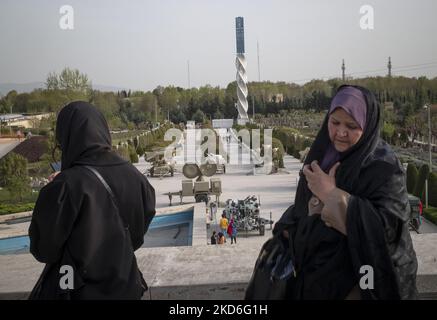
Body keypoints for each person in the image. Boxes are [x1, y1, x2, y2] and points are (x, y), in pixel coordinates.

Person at [273, 85, 418, 300]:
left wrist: (330, 194)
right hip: (322, 281)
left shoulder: (384, 167)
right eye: (335, 122)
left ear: (367, 125)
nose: (340, 132)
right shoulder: (322, 155)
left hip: (367, 282)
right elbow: (302, 206)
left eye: (351, 125)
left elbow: (387, 228)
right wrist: (289, 227)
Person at [28, 101, 156, 300]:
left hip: (76, 292)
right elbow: (136, 237)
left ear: (66, 137)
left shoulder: (65, 185)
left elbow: (43, 250)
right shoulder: (137, 178)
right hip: (125, 288)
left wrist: (51, 192)